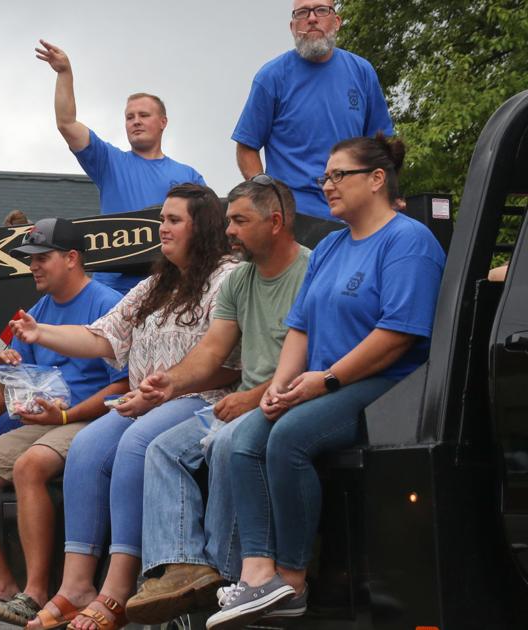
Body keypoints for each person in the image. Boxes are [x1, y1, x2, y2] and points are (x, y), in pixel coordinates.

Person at [209, 134, 445, 628]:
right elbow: (301, 326)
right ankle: (257, 576)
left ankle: (293, 583)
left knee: (290, 437)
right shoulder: (333, 245)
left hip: (389, 386)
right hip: (323, 381)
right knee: (245, 437)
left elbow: (398, 335)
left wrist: (327, 380)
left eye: (339, 175)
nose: (327, 186)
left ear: (377, 179)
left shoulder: (409, 240)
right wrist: (280, 384)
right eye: (325, 177)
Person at [8, 185, 237, 630]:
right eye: (162, 220)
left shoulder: (227, 277)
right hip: (145, 400)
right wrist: (40, 335)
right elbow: (100, 337)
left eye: (174, 220)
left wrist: (164, 389)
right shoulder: (156, 284)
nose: (163, 228)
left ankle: (117, 590)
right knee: (89, 447)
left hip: (200, 397)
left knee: (133, 444)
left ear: (202, 226)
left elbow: (226, 361)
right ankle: (76, 587)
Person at [120, 176, 309, 623]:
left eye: (240, 221)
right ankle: (188, 570)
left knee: (226, 445)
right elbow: (209, 353)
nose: (228, 231)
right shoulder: (239, 280)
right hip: (247, 400)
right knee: (163, 447)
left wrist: (252, 398)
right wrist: (170, 383)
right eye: (227, 221)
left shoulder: (310, 270)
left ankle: (229, 580)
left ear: (275, 222)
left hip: (292, 397)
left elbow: (314, 358)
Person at [0, 217, 132, 627]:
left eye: (43, 257)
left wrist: (65, 414)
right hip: (44, 421)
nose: (34, 266)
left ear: (72, 258)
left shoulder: (105, 301)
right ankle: (1, 587)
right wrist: (4, 365)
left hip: (89, 420)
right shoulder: (40, 306)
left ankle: (36, 593)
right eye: (31, 259)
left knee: (29, 467)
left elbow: (123, 385)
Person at [35, 39, 205, 294]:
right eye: (129, 117)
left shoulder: (187, 175)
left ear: (163, 122)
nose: (135, 122)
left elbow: (205, 231)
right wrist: (64, 73)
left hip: (169, 289)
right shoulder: (109, 161)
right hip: (113, 292)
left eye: (143, 115)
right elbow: (67, 124)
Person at [232, 1, 394, 221]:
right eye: (302, 12)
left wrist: (388, 197)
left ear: (337, 21)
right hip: (293, 219)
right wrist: (265, 194)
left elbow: (381, 144)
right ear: (292, 26)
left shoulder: (362, 72)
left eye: (321, 10)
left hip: (353, 216)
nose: (311, 18)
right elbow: (246, 147)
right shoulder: (271, 77)